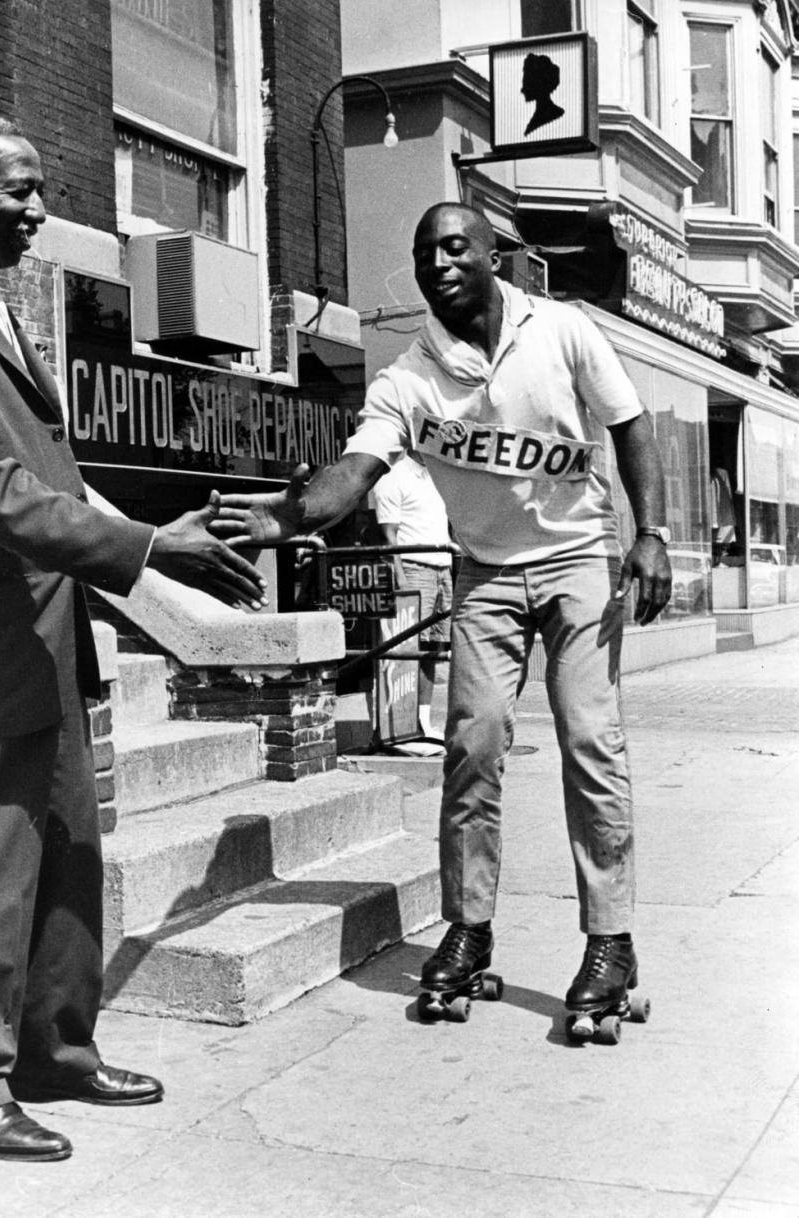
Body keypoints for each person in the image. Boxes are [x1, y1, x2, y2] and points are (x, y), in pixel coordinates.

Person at [0, 112, 267, 1163]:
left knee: (66, 859)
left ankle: (54, 1050)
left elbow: (42, 472)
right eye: (20, 191)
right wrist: (141, 546)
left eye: (38, 190)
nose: (40, 210)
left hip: (41, 633)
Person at [212, 202, 671, 1019]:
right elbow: (354, 473)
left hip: (575, 560)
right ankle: (469, 929)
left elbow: (631, 425)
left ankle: (610, 940)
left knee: (592, 745)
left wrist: (654, 534)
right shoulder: (407, 378)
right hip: (486, 574)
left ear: (494, 255)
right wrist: (286, 518)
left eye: (457, 246)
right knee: (472, 744)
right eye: (426, 252)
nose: (440, 263)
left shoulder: (561, 331)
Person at [371, 453, 453, 742]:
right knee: (408, 646)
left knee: (433, 647)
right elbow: (389, 535)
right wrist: (401, 578)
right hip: (415, 567)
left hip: (443, 567)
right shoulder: (394, 477)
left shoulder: (438, 476)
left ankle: (424, 721)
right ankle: (398, 726)